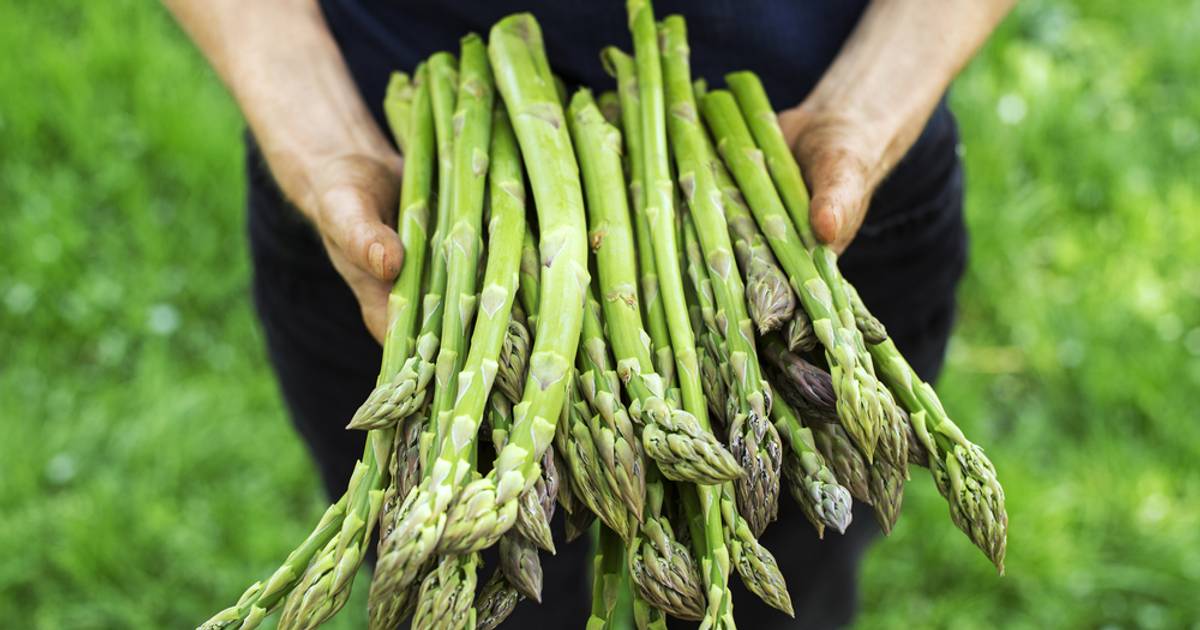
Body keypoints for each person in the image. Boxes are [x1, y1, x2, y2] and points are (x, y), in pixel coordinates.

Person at [165, 0, 1014, 627]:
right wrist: (312, 127)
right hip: (397, 206)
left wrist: (872, 104)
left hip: (795, 201)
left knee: (780, 598)